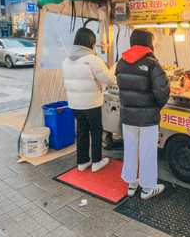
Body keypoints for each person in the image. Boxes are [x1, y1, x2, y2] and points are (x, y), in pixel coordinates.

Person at [116, 29, 170, 199]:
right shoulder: (152, 63)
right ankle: (147, 189)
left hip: (128, 116)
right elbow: (162, 91)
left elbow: (122, 88)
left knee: (130, 149)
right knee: (147, 151)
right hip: (148, 118)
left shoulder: (121, 62)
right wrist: (154, 107)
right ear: (149, 42)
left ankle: (131, 186)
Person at [62, 28, 115, 173]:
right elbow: (108, 78)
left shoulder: (67, 59)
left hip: (74, 104)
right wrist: (113, 73)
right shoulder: (92, 59)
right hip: (91, 103)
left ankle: (82, 162)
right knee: (96, 131)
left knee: (82, 131)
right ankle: (97, 161)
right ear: (90, 42)